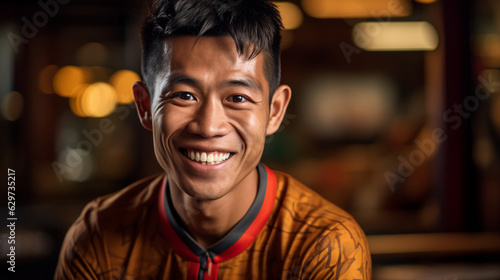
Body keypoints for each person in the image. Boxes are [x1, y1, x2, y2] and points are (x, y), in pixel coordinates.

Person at [55, 0, 371, 279]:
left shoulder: (325, 244)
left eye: (237, 97)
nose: (208, 127)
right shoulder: (98, 236)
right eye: (184, 95)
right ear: (145, 106)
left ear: (275, 111)